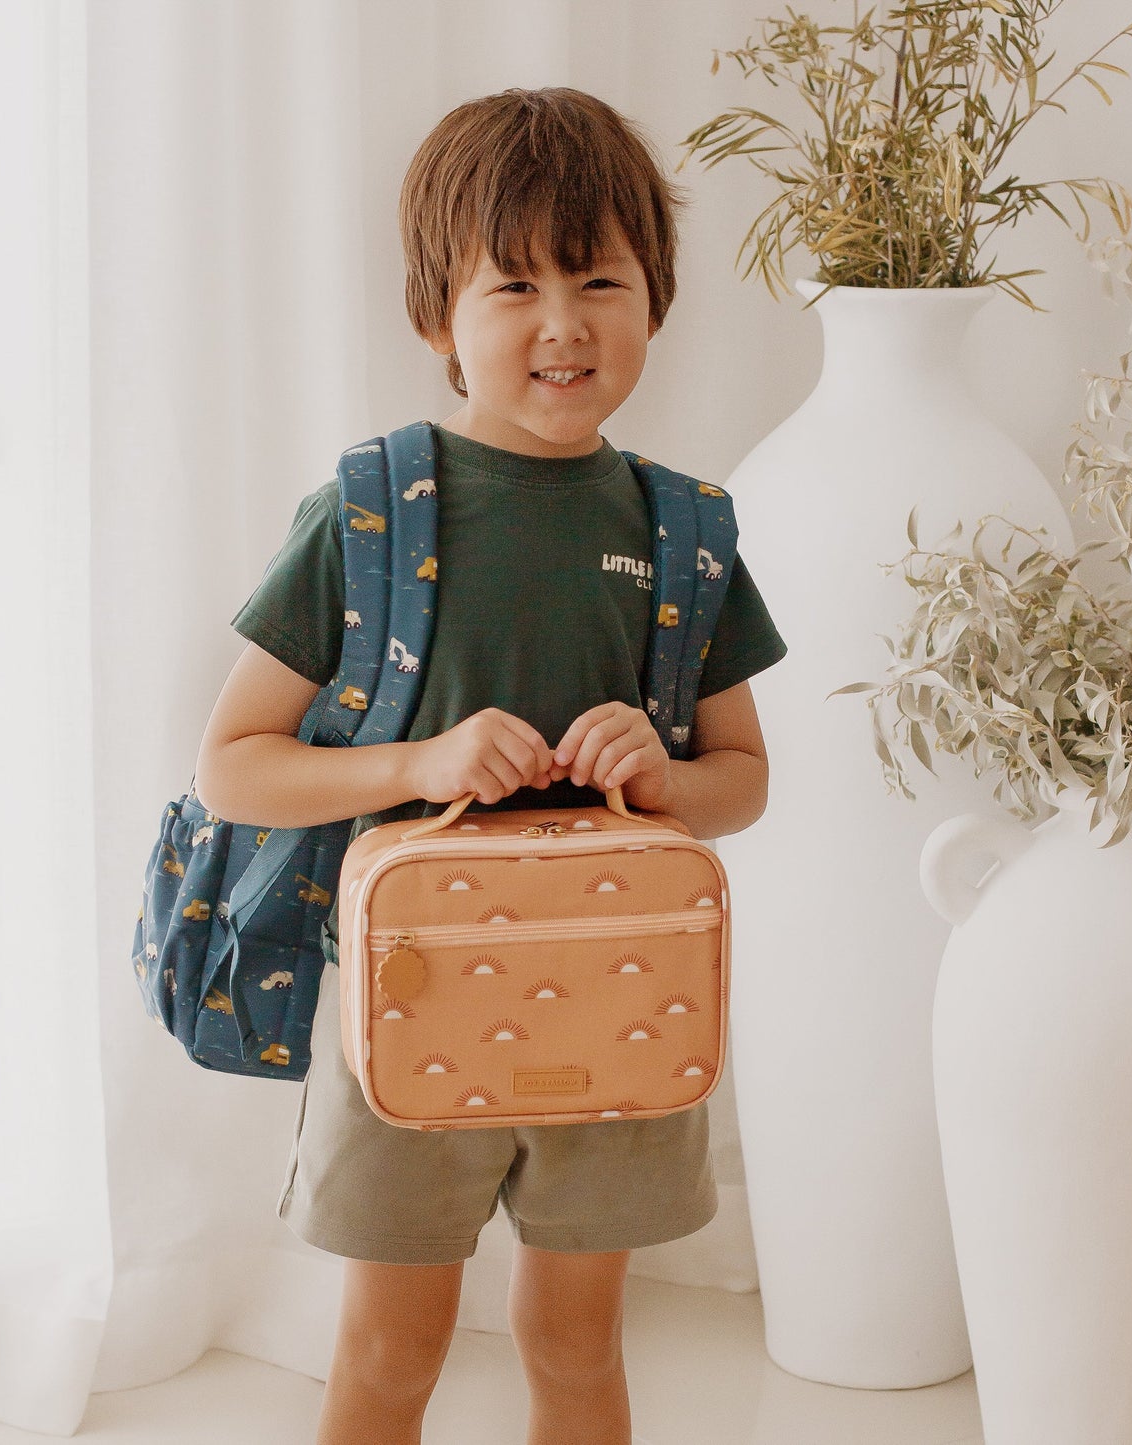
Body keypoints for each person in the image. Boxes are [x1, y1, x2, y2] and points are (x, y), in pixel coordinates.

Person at [193, 87, 787, 1445]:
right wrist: (421, 759)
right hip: (408, 1001)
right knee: (391, 1346)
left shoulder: (684, 530)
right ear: (434, 317)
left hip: (619, 997)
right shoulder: (365, 513)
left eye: (599, 278)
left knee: (577, 1342)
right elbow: (235, 764)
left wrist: (660, 771)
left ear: (657, 300)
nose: (562, 320)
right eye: (511, 282)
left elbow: (741, 781)